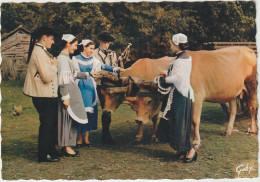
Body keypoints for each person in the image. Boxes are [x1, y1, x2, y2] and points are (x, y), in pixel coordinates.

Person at [155, 33, 197, 163]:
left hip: (179, 94)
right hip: (183, 92)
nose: (171, 46)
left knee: (178, 122)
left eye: (172, 44)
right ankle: (182, 150)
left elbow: (177, 78)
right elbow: (181, 75)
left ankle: (190, 150)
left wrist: (164, 78)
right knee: (179, 122)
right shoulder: (186, 57)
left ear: (177, 45)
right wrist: (167, 73)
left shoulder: (179, 61)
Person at [72, 39, 122, 147]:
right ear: (84, 47)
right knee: (80, 112)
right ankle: (79, 138)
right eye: (90, 48)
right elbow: (74, 73)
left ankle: (87, 138)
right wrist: (89, 74)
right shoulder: (75, 59)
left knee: (90, 113)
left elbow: (103, 66)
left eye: (93, 49)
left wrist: (116, 69)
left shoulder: (92, 59)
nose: (91, 51)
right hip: (80, 86)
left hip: (90, 87)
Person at [23, 27, 60, 162]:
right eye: (52, 39)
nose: (53, 42)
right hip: (43, 96)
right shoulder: (39, 52)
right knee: (46, 125)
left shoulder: (41, 51)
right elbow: (46, 77)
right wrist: (55, 65)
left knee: (49, 125)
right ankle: (43, 155)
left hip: (47, 95)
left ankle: (50, 151)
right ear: (44, 37)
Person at [57, 34, 95, 157]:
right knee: (66, 122)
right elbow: (63, 80)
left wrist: (90, 74)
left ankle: (68, 145)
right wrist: (65, 97)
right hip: (67, 96)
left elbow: (74, 73)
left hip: (70, 95)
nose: (75, 48)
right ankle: (66, 147)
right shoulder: (62, 59)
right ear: (68, 44)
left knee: (70, 121)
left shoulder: (67, 58)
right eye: (74, 45)